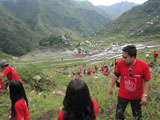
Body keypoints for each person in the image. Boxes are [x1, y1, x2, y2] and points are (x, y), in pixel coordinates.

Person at [109, 45, 151, 120]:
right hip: (123, 95)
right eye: (122, 56)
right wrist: (111, 87)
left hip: (137, 96)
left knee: (137, 116)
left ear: (133, 57)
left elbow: (147, 80)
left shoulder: (143, 66)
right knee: (119, 115)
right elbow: (116, 75)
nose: (123, 59)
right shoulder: (120, 63)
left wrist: (144, 95)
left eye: (125, 57)